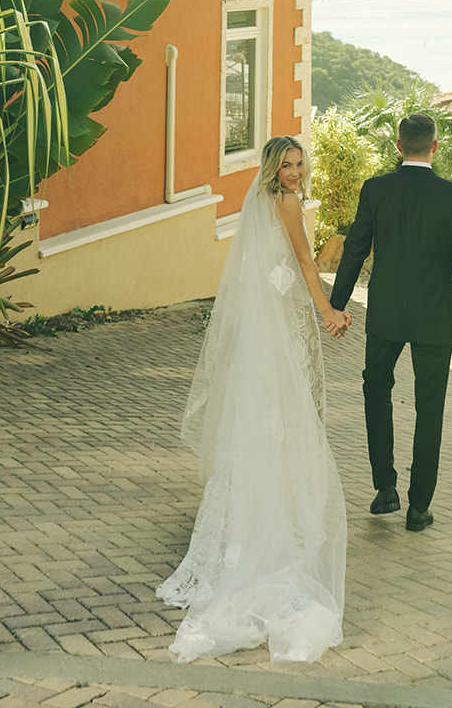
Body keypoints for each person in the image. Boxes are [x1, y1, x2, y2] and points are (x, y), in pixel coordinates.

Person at [157, 135, 351, 663]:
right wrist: (329, 312)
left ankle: (249, 521)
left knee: (261, 422)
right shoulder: (287, 203)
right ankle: (276, 525)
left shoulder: (259, 202)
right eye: (285, 164)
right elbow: (307, 264)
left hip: (260, 334)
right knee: (284, 420)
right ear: (273, 168)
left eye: (298, 163)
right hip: (275, 334)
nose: (294, 172)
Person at [329, 111, 452, 532]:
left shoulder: (376, 189)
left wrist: (336, 305)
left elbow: (355, 249)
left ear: (398, 147)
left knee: (376, 390)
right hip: (435, 317)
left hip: (385, 312)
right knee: (429, 408)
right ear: (434, 147)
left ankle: (385, 488)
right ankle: (419, 508)